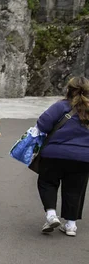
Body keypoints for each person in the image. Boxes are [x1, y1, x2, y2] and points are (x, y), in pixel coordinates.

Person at [37, 76, 89, 236]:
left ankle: (51, 215)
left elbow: (42, 124)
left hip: (54, 154)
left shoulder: (60, 106)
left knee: (47, 182)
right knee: (75, 189)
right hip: (83, 157)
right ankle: (71, 225)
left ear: (68, 89)